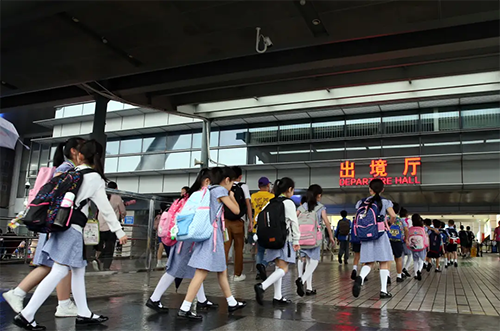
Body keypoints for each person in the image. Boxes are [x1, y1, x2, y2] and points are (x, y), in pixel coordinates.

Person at [13, 140, 128, 331]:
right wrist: (119, 231)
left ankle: (83, 312)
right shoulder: (94, 178)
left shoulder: (72, 173)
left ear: (80, 156)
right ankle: (27, 314)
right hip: (72, 227)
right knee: (59, 270)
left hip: (59, 224)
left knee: (77, 270)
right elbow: (105, 208)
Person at [3, 138, 84, 318]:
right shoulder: (67, 169)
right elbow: (56, 195)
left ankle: (60, 302)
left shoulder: (64, 168)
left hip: (54, 223)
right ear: (74, 151)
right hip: (56, 223)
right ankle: (23, 294)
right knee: (60, 263)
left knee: (55, 264)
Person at [177, 167, 246, 320]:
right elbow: (236, 210)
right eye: (232, 184)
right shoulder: (220, 191)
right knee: (201, 272)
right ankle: (185, 307)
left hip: (209, 235)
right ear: (227, 180)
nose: (231, 187)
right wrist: (232, 195)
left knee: (222, 270)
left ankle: (231, 301)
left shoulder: (208, 190)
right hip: (212, 238)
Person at [146, 169, 217, 313]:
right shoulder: (199, 196)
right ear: (207, 181)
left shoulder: (189, 195)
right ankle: (154, 298)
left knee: (196, 270)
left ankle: (202, 300)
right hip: (187, 240)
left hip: (184, 238)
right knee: (174, 269)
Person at [254, 177, 300, 305]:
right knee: (284, 269)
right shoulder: (288, 203)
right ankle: (262, 286)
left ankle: (277, 297)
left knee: (278, 267)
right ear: (289, 189)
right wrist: (296, 240)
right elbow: (294, 223)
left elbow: (258, 217)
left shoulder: (271, 202)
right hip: (285, 240)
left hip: (271, 240)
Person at [352, 179, 397, 299]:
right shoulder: (386, 202)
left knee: (369, 262)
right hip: (380, 234)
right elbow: (393, 215)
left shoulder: (361, 202)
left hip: (366, 235)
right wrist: (388, 223)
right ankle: (383, 290)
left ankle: (360, 278)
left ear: (369, 189)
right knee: (383, 262)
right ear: (382, 189)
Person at [296, 184, 334, 296]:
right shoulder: (320, 207)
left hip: (302, 238)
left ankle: (309, 288)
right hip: (314, 239)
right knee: (314, 261)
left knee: (304, 259)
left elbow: (294, 219)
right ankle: (302, 280)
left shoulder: (301, 207)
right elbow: (327, 222)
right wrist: (331, 236)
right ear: (319, 195)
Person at [224, 166, 253, 282]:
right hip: (238, 222)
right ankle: (237, 274)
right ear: (240, 177)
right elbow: (248, 205)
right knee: (238, 249)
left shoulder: (225, 186)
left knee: (225, 248)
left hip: (225, 222)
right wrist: (250, 221)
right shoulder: (243, 186)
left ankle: (222, 274)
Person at [92, 181, 126, 271]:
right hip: (111, 227)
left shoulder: (101, 196)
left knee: (99, 246)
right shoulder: (117, 197)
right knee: (109, 247)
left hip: (100, 226)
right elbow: (123, 211)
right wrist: (121, 216)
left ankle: (97, 260)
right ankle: (105, 266)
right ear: (115, 188)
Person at [250, 176, 274, 281]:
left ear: (258, 186)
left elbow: (251, 211)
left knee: (259, 251)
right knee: (272, 251)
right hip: (268, 228)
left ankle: (259, 272)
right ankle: (263, 265)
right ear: (268, 185)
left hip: (257, 227)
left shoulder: (253, 196)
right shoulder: (272, 196)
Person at [387, 203, 408, 283]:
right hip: (398, 241)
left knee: (387, 259)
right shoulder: (401, 220)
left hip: (388, 241)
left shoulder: (386, 218)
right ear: (398, 210)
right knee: (398, 259)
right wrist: (406, 239)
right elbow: (406, 229)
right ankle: (399, 276)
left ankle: (387, 276)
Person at [407, 214, 428, 281]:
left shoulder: (410, 229)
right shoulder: (422, 228)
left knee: (415, 260)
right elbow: (425, 238)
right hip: (421, 246)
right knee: (421, 260)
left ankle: (415, 274)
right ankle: (419, 270)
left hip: (413, 246)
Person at [154, 203, 170, 268]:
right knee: (166, 247)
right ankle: (168, 262)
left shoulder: (159, 215)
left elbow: (155, 226)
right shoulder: (168, 213)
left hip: (160, 233)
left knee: (161, 246)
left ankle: (159, 262)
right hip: (167, 233)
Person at [400, 208, 412, 278]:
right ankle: (406, 268)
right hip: (406, 239)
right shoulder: (408, 220)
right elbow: (409, 230)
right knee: (410, 255)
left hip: (399, 239)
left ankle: (401, 271)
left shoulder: (397, 220)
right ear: (406, 214)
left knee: (402, 256)